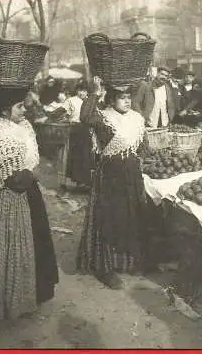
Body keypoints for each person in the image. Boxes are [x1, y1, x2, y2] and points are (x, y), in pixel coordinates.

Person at [0, 88, 58, 321]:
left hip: (29, 192)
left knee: (36, 240)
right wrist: (32, 174)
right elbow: (14, 179)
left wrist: (32, 172)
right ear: (4, 109)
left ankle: (37, 290)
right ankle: (11, 299)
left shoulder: (24, 126)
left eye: (24, 105)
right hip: (11, 197)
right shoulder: (1, 134)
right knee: (14, 244)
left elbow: (30, 160)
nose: (24, 109)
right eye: (19, 106)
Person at [77, 83, 149, 289]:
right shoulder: (104, 117)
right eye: (121, 97)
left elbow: (144, 145)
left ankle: (128, 261)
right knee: (109, 219)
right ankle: (105, 268)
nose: (127, 101)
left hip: (131, 174)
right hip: (110, 175)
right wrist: (95, 92)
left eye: (129, 97)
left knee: (131, 216)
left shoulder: (136, 118)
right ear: (111, 99)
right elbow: (84, 117)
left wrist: (138, 159)